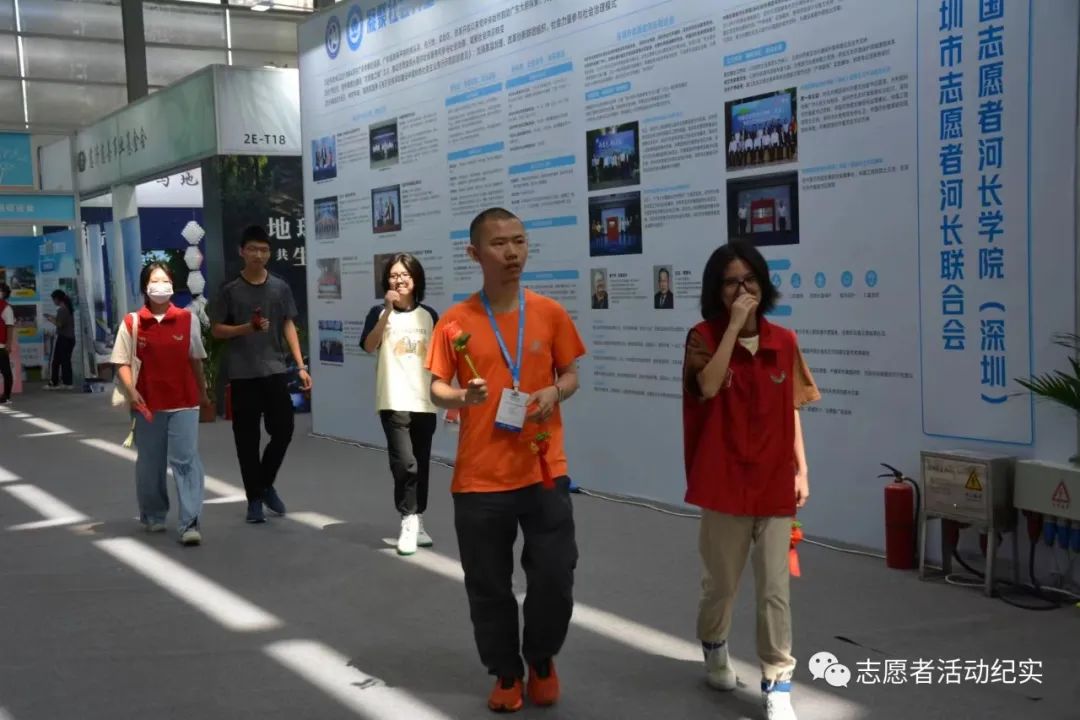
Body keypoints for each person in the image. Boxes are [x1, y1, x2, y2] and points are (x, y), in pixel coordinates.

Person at [426, 207, 586, 713]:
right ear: (475, 253)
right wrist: (461, 398)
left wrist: (554, 393)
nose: (512, 252)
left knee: (555, 576)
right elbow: (435, 388)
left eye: (519, 241)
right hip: (480, 478)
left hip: (544, 469)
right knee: (488, 585)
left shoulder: (549, 313)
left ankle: (542, 659)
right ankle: (506, 672)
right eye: (499, 244)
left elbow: (571, 374)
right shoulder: (454, 321)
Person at [681, 240, 819, 720]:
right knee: (722, 583)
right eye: (731, 283)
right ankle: (714, 643)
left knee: (775, 589)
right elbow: (706, 386)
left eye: (750, 279)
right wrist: (734, 330)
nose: (742, 290)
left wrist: (801, 468)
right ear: (716, 291)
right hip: (723, 480)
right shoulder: (702, 337)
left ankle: (777, 680)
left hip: (774, 480)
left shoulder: (785, 340)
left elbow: (792, 407)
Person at [211, 224, 312, 524]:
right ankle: (254, 500)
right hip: (243, 374)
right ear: (242, 252)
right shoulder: (230, 291)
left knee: (284, 430)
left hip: (274, 369)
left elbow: (288, 324)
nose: (259, 255)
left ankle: (265, 483)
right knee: (247, 440)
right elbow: (217, 330)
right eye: (253, 249)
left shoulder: (280, 287)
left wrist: (301, 365)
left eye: (264, 250)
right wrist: (246, 328)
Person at [111, 263, 209, 546]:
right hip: (147, 404)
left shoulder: (187, 320)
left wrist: (203, 393)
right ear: (145, 287)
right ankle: (154, 514)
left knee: (186, 460)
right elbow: (121, 361)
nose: (161, 286)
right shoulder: (133, 322)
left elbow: (195, 360)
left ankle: (190, 522)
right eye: (155, 281)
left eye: (165, 280)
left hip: (184, 401)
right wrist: (131, 391)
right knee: (150, 464)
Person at [360, 252, 440, 556]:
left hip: (424, 399)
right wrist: (387, 312)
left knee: (421, 461)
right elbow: (370, 346)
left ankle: (418, 518)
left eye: (405, 274)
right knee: (404, 462)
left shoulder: (430, 315)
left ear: (416, 279)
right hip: (393, 399)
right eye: (394, 275)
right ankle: (407, 519)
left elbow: (441, 358)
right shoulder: (378, 313)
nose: (399, 280)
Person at [44, 289, 77, 390]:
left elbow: (59, 324)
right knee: (64, 361)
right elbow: (61, 321)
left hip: (64, 338)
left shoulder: (62, 310)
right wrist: (52, 317)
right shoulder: (67, 308)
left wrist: (50, 319)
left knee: (58, 361)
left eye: (54, 299)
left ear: (57, 299)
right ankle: (67, 382)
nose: (53, 302)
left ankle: (56, 382)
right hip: (70, 339)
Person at [0, 283, 14, 405]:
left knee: (5, 371)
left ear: (4, 293)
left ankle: (6, 396)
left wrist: (8, 343)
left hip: (1, 345)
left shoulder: (6, 308)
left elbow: (10, 326)